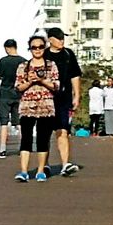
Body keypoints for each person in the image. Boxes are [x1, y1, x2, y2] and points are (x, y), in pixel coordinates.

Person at [14, 35, 62, 181]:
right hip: (27, 107)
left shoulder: (51, 65)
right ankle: (24, 171)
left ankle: (41, 171)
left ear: (45, 47)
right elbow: (18, 87)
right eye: (34, 47)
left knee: (43, 139)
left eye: (40, 47)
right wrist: (30, 81)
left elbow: (56, 86)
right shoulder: (23, 66)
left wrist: (42, 80)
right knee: (26, 139)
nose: (37, 50)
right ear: (30, 49)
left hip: (46, 108)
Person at [45, 27, 84, 175]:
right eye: (58, 38)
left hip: (63, 98)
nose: (62, 41)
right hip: (46, 99)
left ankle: (65, 164)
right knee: (46, 132)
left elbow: (75, 75)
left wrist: (77, 95)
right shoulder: (44, 54)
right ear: (50, 40)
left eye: (63, 38)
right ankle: (45, 164)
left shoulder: (68, 54)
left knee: (63, 131)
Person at [0, 37, 24, 156]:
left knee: (4, 122)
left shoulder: (3, 61)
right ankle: (23, 147)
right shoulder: (23, 61)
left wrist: (1, 77)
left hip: (5, 94)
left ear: (7, 48)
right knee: (19, 122)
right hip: (19, 94)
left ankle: (2, 149)